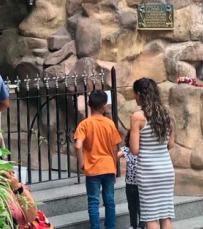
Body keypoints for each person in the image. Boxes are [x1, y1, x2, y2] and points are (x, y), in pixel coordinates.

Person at [129, 78, 175, 229]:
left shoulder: (138, 117)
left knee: (150, 216)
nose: (134, 97)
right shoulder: (167, 113)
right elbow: (171, 144)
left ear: (139, 94)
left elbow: (134, 150)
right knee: (166, 215)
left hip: (148, 171)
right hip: (166, 170)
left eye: (134, 94)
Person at [75, 90, 122, 229]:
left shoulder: (84, 124)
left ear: (89, 105)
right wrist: (114, 165)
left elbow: (78, 146)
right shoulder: (110, 124)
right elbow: (114, 148)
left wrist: (82, 163)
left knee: (93, 202)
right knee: (109, 201)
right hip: (108, 166)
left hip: (92, 169)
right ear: (104, 106)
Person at [119, 135, 146, 229]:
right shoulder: (127, 150)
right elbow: (116, 155)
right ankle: (133, 225)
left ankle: (142, 226)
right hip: (130, 184)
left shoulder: (143, 151)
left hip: (141, 184)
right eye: (132, 139)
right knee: (131, 206)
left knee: (140, 207)